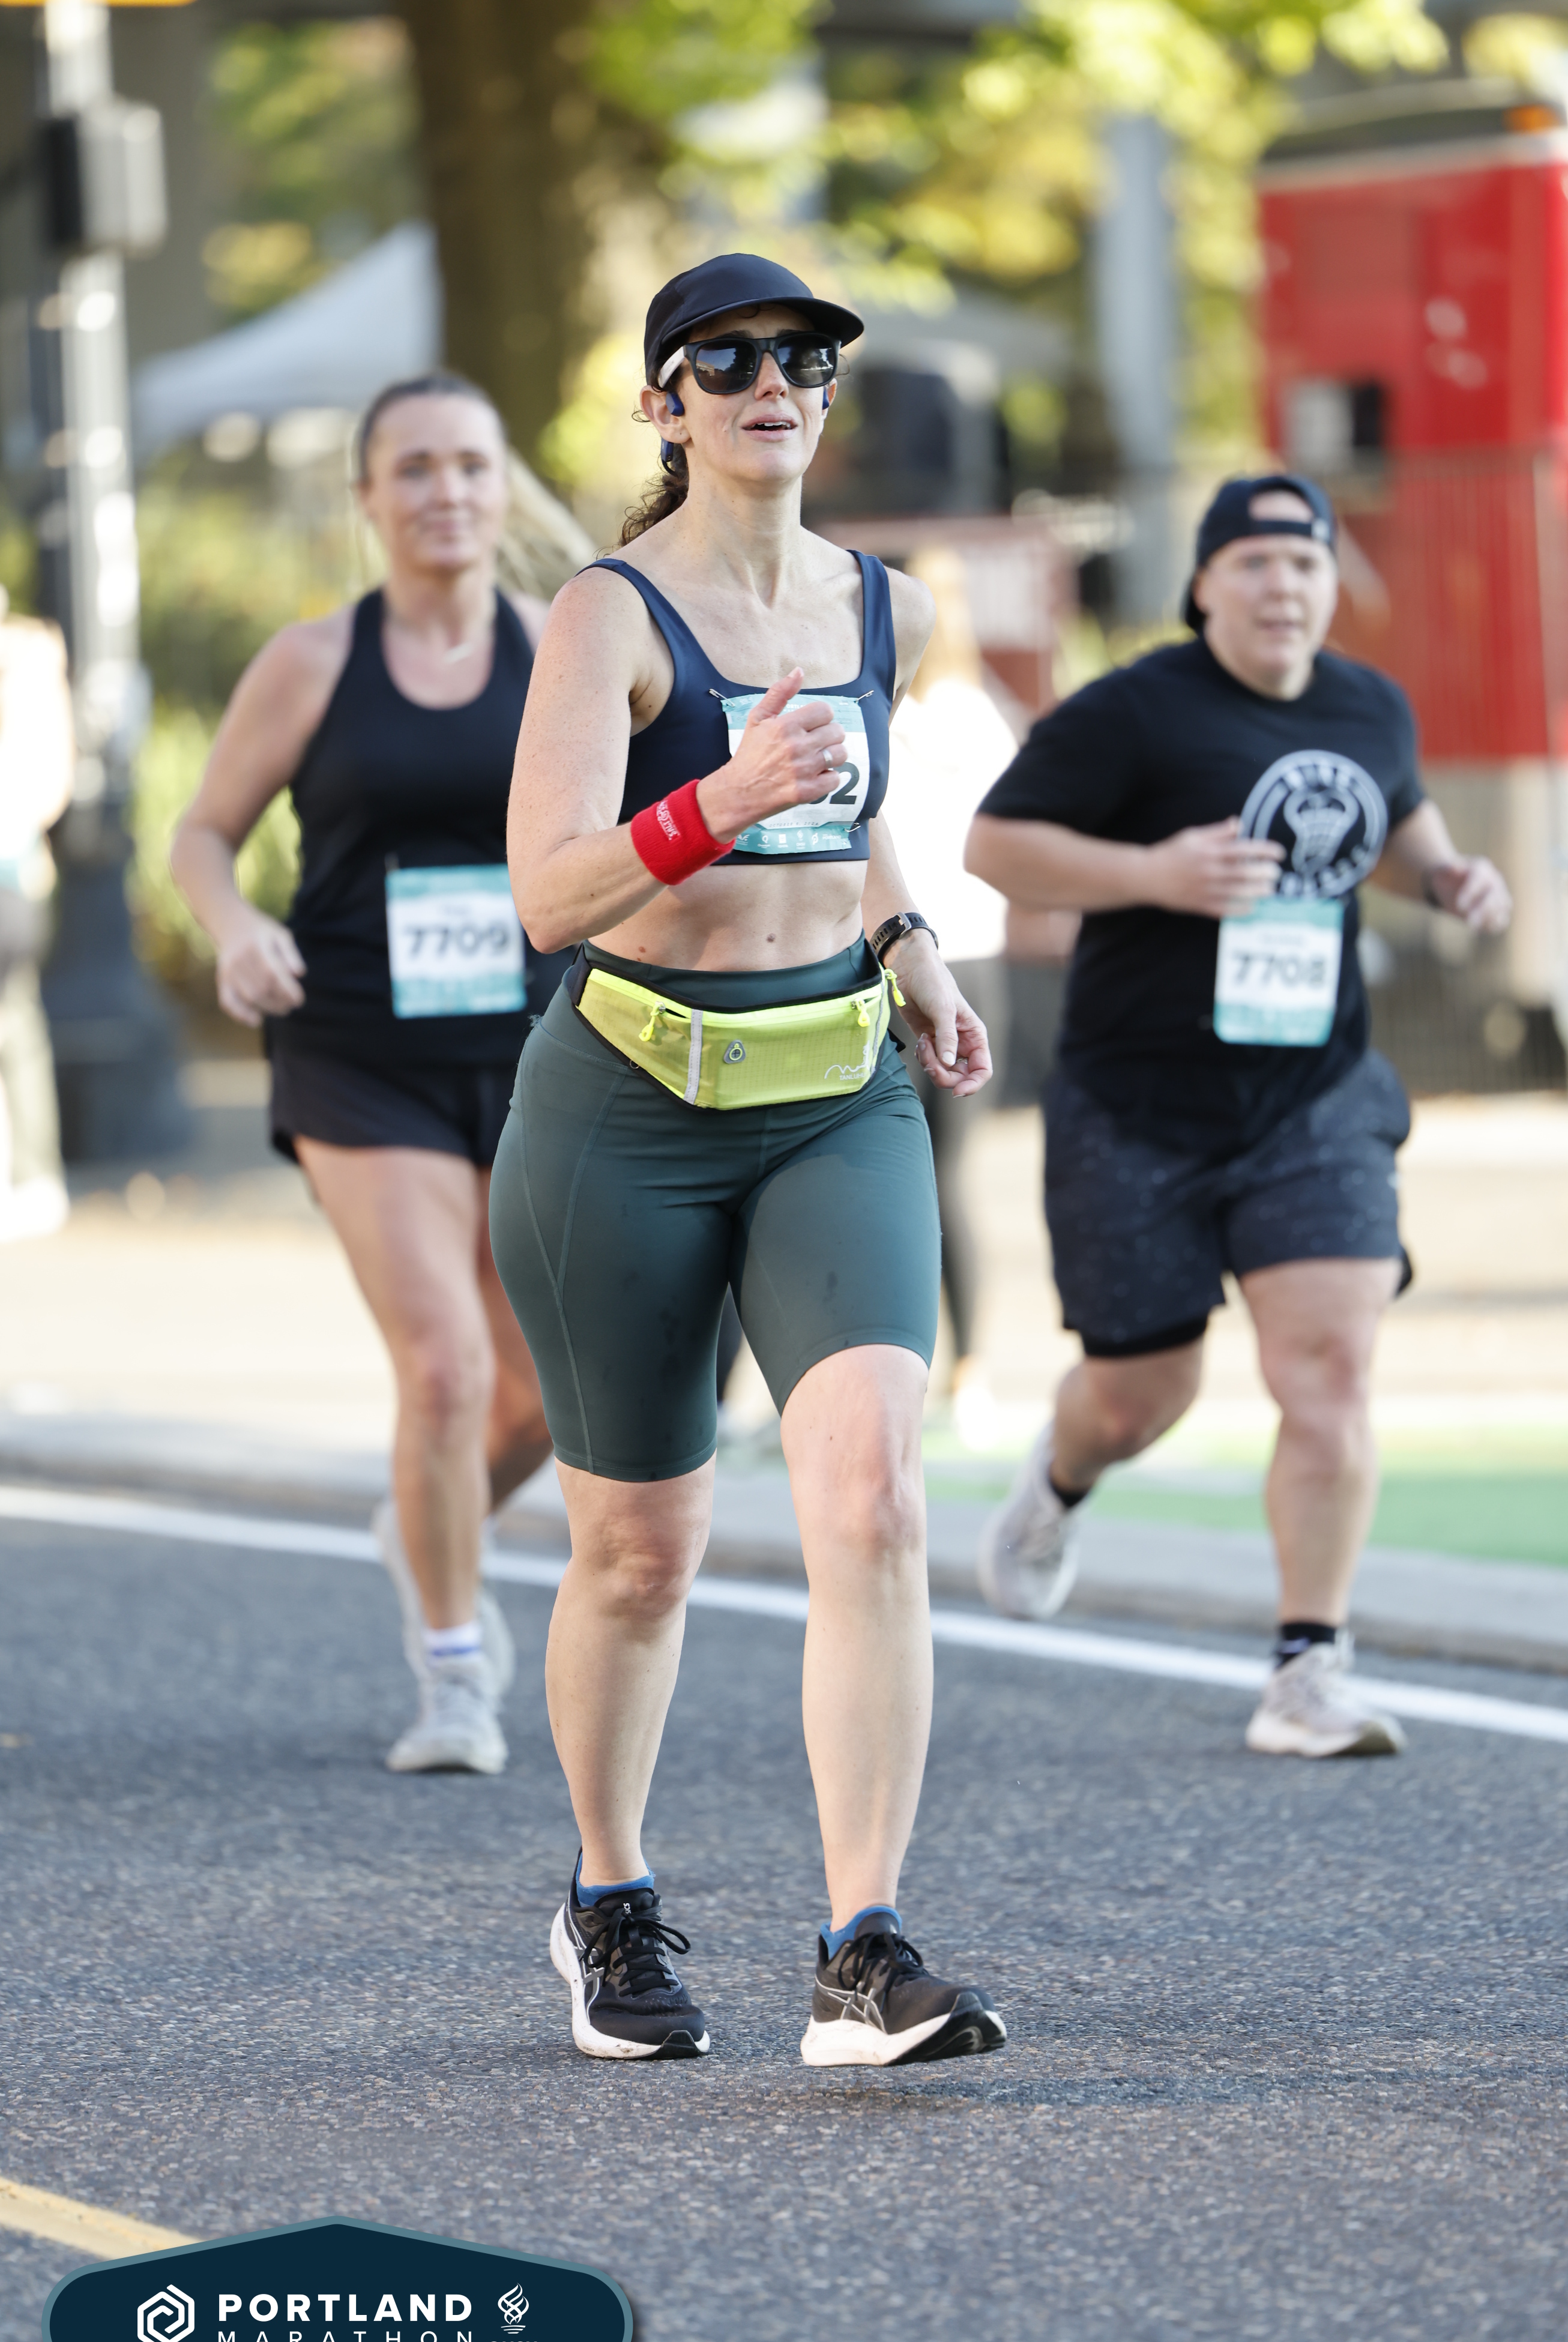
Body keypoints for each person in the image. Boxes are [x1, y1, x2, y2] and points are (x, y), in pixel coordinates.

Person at [490, 251, 1007, 2066]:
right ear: (665, 404)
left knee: (872, 1493)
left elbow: (857, 821)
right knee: (642, 1551)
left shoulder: (888, 609)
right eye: (724, 360)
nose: (770, 382)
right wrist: (719, 795)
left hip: (834, 1093)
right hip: (624, 1106)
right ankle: (607, 1893)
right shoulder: (609, 615)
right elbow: (547, 890)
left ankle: (862, 1950)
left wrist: (909, 943)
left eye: (800, 357)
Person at [968, 474, 1512, 1757]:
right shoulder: (1132, 711)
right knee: (1137, 1396)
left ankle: (1306, 1669)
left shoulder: (1368, 705)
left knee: (1329, 1367)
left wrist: (1447, 877)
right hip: (1136, 1100)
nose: (1282, 587)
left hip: (1311, 1095)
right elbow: (996, 847)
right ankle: (1059, 1480)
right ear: (1203, 584)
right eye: (1254, 564)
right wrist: (1153, 874)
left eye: (1304, 564)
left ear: (1329, 586)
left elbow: (1398, 819)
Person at [170, 376, 576, 1776]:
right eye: (413, 468)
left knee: (548, 1386)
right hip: (358, 1049)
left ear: (502, 485)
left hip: (534, 1047)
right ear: (367, 497)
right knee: (445, 1365)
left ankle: (423, 1519)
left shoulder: (560, 649)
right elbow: (202, 835)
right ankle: (453, 1672)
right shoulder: (311, 663)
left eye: (469, 464)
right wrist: (237, 930)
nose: (444, 491)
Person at [883, 545, 1017, 1446]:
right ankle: (959, 1370)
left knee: (919, 1177)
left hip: (928, 958)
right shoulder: (980, 715)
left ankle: (956, 1369)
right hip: (948, 954)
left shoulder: (912, 715)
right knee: (935, 1176)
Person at [0, 593, 76, 1244]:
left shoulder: (26, 660)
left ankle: (31, 1173)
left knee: (13, 1019)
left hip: (11, 872)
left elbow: (46, 783)